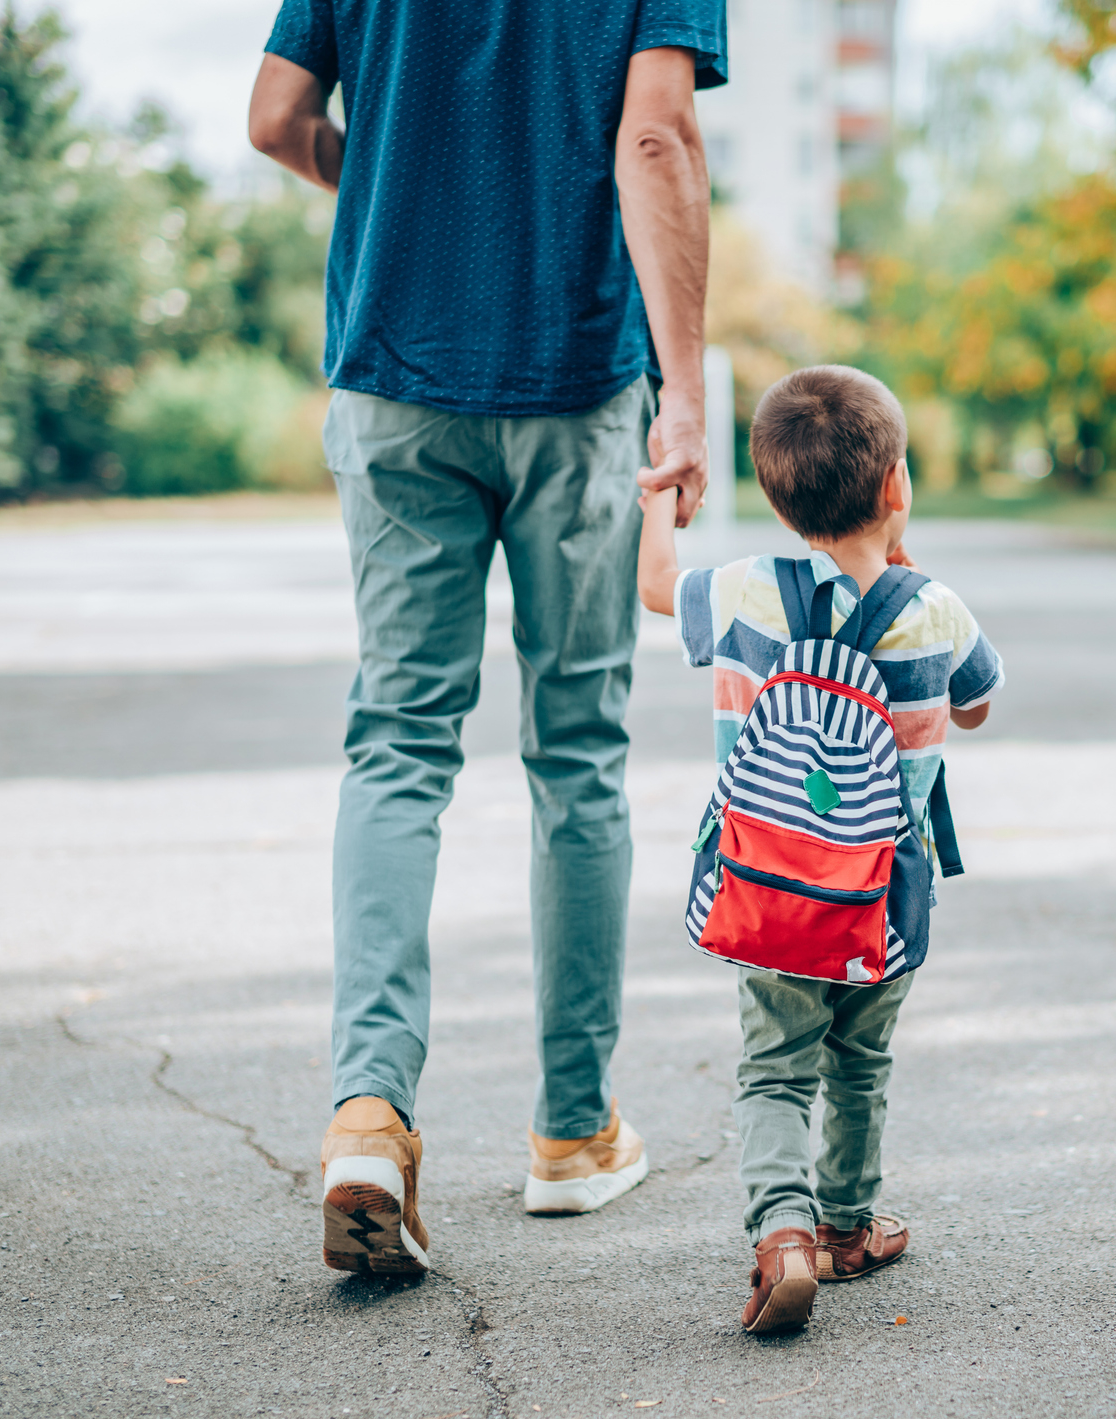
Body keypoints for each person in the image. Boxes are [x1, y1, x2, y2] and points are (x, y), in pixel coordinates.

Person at [245, 0, 727, 1275]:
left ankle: (369, 1111)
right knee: (575, 752)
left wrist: (395, 189)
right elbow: (658, 142)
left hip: (394, 369)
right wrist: (685, 396)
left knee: (398, 745)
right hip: (574, 380)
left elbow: (277, 120)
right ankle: (571, 1134)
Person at [635, 366, 1004, 1332]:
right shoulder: (936, 611)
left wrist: (661, 499)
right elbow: (974, 705)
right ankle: (846, 1227)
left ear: (774, 495)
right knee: (859, 1062)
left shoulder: (745, 593)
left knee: (773, 1069)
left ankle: (781, 1235)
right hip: (881, 900)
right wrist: (903, 567)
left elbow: (653, 588)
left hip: (766, 896)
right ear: (896, 487)